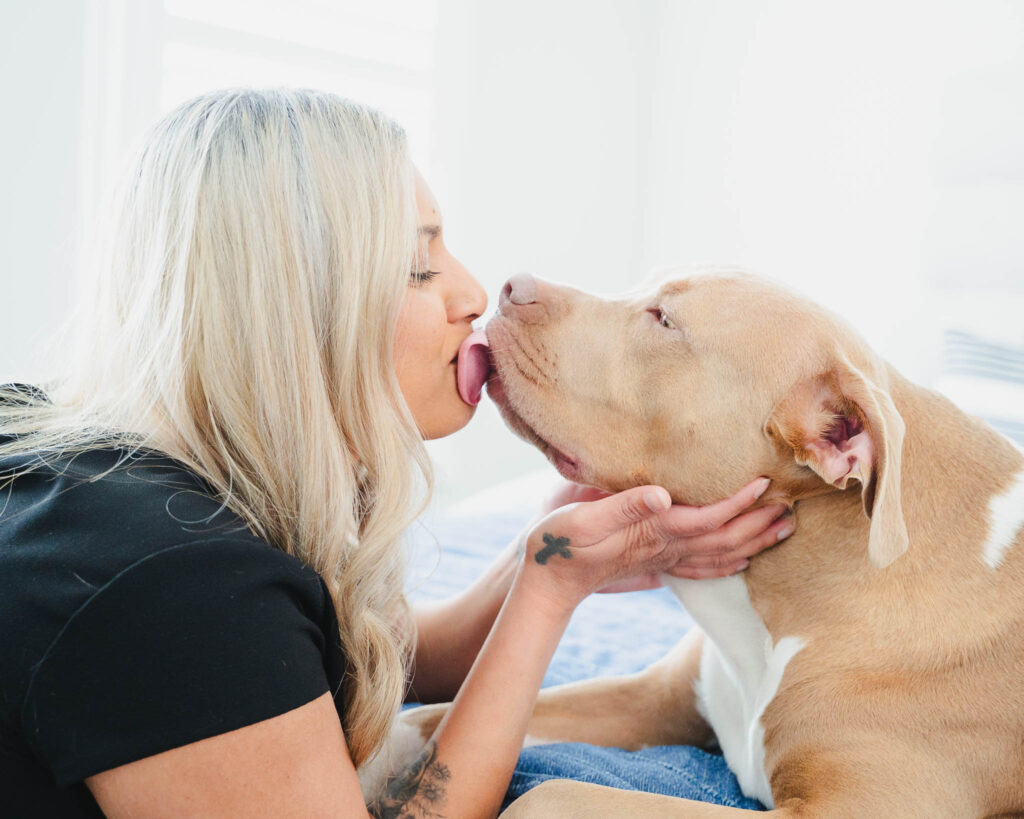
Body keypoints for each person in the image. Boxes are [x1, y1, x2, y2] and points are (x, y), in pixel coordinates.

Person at [0, 88, 792, 818]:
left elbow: (363, 656)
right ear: (297, 314)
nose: (474, 294)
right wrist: (550, 593)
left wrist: (541, 556)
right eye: (419, 267)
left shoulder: (120, 470)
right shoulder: (174, 586)